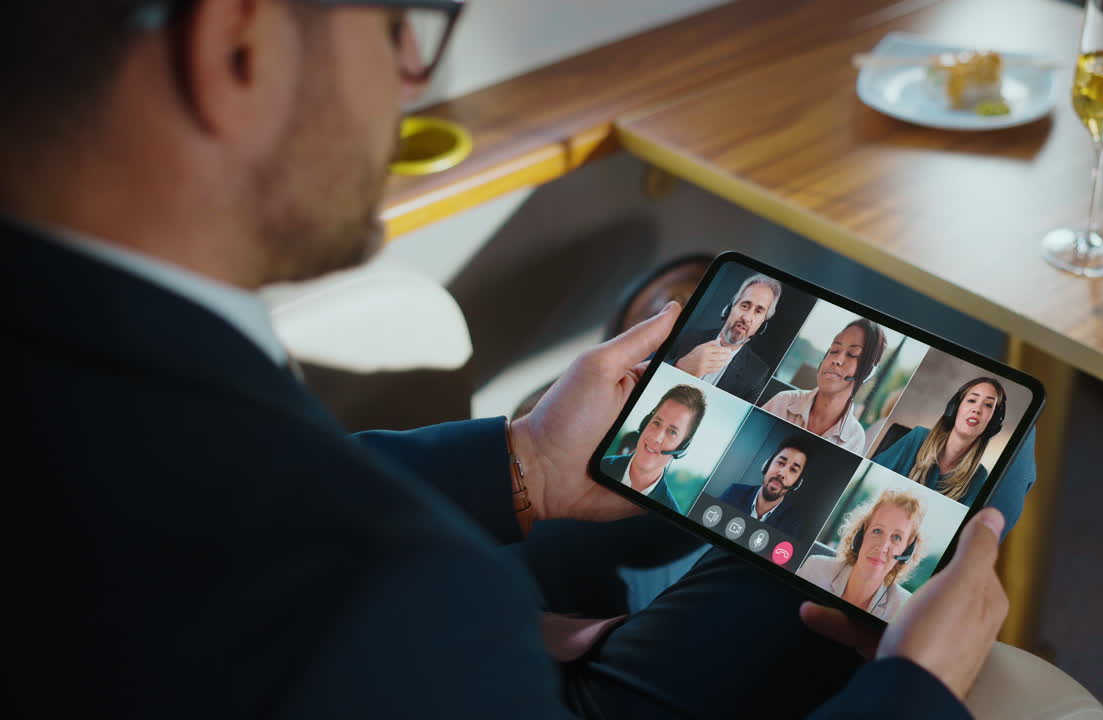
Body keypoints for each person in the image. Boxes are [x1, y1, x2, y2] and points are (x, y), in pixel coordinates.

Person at [9, 1, 1016, 717]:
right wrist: (910, 693)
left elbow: (208, 494)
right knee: (932, 520)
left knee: (630, 535)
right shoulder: (390, 599)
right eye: (397, 25)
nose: (412, 74)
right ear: (241, 44)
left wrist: (526, 460)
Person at [873, 377, 1007, 506]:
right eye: (972, 400)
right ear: (955, 408)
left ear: (993, 422)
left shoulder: (979, 476)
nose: (977, 409)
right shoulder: (918, 437)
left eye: (988, 405)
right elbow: (873, 479)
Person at [761, 317, 887, 454]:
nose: (836, 360)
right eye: (834, 350)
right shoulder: (783, 401)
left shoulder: (855, 438)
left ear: (868, 372)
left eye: (852, 354)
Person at [797, 490, 926, 622]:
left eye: (897, 537)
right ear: (860, 536)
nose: (882, 546)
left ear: (906, 553)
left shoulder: (905, 611)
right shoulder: (815, 569)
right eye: (877, 530)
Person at [670, 273, 780, 401]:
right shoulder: (686, 336)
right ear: (729, 309)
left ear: (762, 325)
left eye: (758, 311)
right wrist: (680, 367)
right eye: (745, 306)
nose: (747, 318)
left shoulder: (757, 373)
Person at [600, 384, 706, 512]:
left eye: (672, 432)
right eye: (656, 423)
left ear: (682, 446)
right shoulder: (599, 466)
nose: (657, 437)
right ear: (645, 423)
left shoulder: (670, 512)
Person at [718, 437, 810, 536]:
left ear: (797, 483)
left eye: (793, 470)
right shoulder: (734, 492)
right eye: (780, 463)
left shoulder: (793, 524)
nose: (782, 473)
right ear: (767, 465)